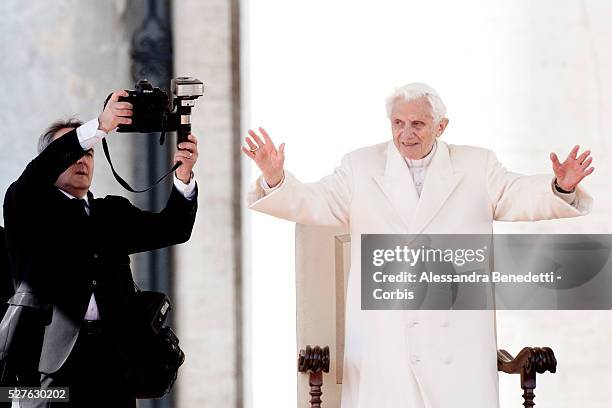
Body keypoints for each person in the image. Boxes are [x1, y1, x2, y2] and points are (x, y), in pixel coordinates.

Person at [242, 83, 594, 408]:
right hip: (386, 334)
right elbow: (313, 202)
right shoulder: (360, 166)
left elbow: (516, 197)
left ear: (441, 126)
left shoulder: (476, 165)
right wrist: (275, 178)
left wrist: (560, 187)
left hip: (457, 336)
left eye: (417, 124)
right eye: (397, 123)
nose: (405, 134)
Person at [3, 90, 199, 408]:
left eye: (90, 154)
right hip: (43, 369)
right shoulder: (25, 205)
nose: (82, 159)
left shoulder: (111, 212)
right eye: (72, 153)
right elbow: (42, 168)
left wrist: (183, 176)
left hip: (113, 363)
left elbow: (173, 229)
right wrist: (99, 126)